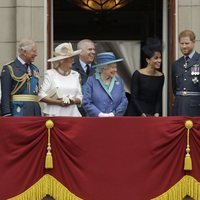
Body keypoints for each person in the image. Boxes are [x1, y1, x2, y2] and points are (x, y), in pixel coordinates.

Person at [38, 42, 83, 116]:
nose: (73, 60)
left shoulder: (75, 75)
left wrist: (72, 101)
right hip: (54, 116)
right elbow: (41, 95)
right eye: (71, 58)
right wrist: (58, 102)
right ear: (62, 61)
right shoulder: (50, 74)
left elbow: (80, 97)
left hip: (73, 115)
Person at [1, 39, 41, 116]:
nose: (36, 54)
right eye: (34, 51)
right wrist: (6, 114)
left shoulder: (35, 69)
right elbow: (5, 94)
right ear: (24, 52)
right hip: (18, 111)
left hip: (34, 111)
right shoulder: (9, 68)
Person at [83, 52, 128, 117]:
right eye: (112, 67)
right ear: (103, 68)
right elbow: (86, 102)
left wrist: (114, 114)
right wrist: (99, 114)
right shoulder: (92, 81)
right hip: (95, 121)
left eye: (116, 67)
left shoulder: (119, 81)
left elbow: (124, 101)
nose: (115, 70)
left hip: (114, 120)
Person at [130, 38, 164, 117]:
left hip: (153, 114)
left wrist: (157, 113)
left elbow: (159, 98)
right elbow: (134, 98)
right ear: (148, 60)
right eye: (156, 58)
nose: (159, 60)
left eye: (160, 57)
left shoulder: (161, 76)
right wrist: (142, 113)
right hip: (137, 113)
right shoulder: (137, 74)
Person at [172, 30, 200, 116]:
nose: (184, 46)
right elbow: (174, 88)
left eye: (187, 43)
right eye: (181, 43)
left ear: (193, 42)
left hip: (196, 109)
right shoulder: (176, 64)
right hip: (179, 107)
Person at [72, 39, 96, 116]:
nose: (93, 52)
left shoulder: (99, 68)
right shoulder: (71, 68)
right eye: (90, 49)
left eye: (94, 49)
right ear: (80, 52)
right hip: (76, 112)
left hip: (95, 113)